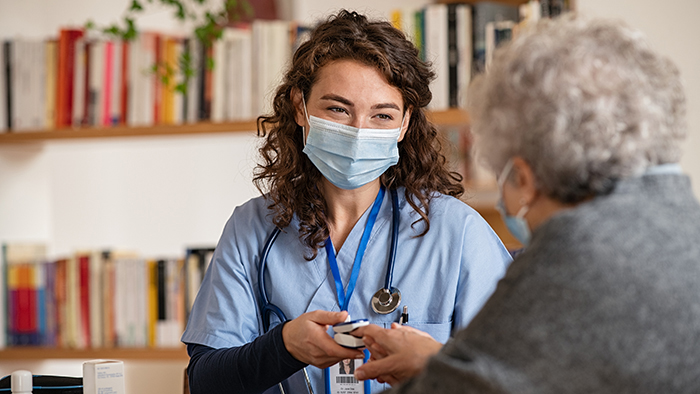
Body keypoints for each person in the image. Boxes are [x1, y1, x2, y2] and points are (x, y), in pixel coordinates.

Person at [352, 14, 700, 393]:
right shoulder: (680, 217)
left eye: (503, 175)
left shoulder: (572, 253)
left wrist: (434, 370)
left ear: (525, 179)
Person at [181, 9, 512, 394]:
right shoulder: (254, 229)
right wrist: (284, 346)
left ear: (405, 123)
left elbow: (517, 378)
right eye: (338, 109)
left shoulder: (457, 232)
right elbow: (204, 381)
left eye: (382, 115)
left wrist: (433, 366)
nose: (359, 132)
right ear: (299, 107)